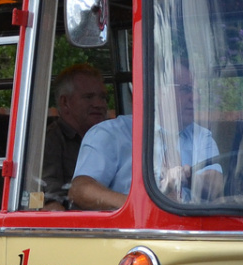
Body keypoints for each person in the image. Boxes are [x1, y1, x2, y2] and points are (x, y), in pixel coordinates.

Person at [70, 63, 222, 209]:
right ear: (158, 91)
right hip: (134, 224)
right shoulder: (111, 134)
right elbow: (81, 190)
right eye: (186, 89)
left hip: (189, 223)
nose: (196, 98)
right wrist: (143, 206)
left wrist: (188, 177)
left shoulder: (202, 136)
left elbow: (216, 186)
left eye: (197, 91)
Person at [40, 63, 108, 208]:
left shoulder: (111, 137)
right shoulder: (50, 141)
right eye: (88, 97)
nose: (99, 104)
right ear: (65, 102)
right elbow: (50, 199)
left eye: (103, 97)